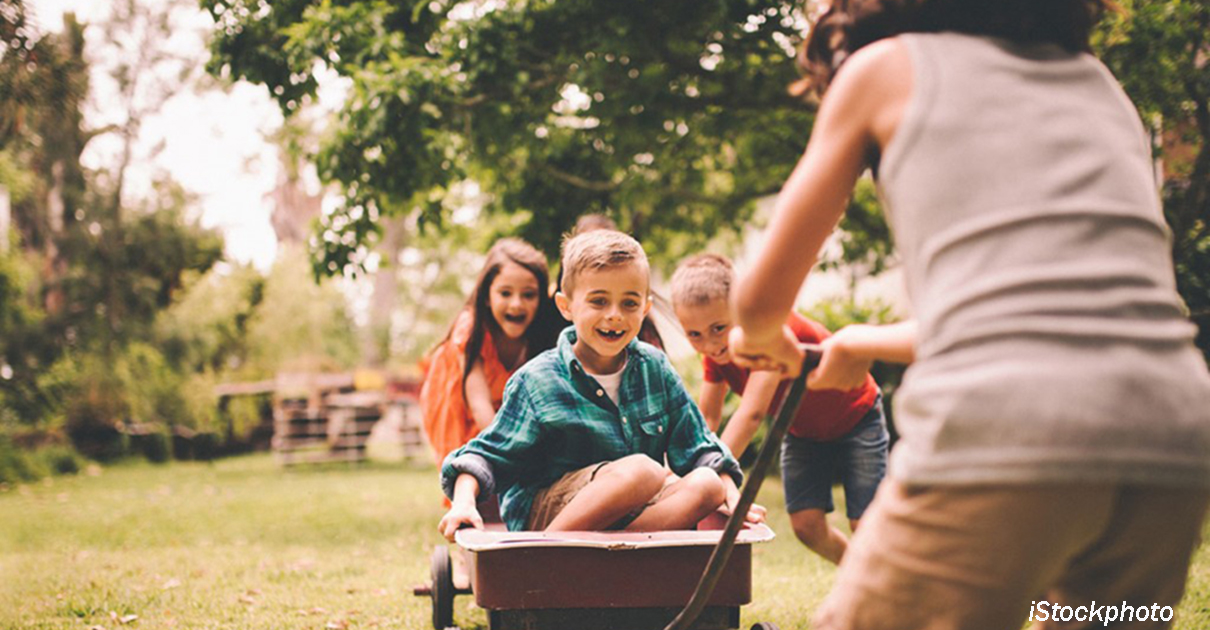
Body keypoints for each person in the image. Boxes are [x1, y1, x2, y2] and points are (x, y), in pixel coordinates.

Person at [728, 2, 1210, 629]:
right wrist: (857, 342)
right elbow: (1051, 313)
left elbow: (760, 302)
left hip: (1009, 436)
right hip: (1172, 439)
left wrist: (763, 340)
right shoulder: (1098, 83)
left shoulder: (885, 69)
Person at [438, 230, 762, 539]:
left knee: (708, 483)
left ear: (645, 308)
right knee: (643, 471)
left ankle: (608, 550)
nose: (615, 315)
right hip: (550, 515)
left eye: (630, 303)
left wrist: (732, 495)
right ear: (566, 306)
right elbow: (487, 455)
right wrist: (465, 502)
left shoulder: (655, 369)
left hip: (633, 509)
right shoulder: (538, 379)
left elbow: (700, 448)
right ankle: (544, 554)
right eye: (598, 301)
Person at [670, 253, 887, 565]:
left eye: (719, 328)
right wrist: (686, 469)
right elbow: (708, 419)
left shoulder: (769, 333)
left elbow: (752, 414)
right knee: (806, 526)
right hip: (804, 432)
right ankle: (866, 577)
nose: (710, 344)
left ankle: (876, 583)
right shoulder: (715, 356)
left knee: (864, 523)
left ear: (741, 308)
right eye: (694, 334)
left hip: (857, 417)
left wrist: (712, 470)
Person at [419, 238, 561, 466]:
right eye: (505, 293)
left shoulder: (541, 334)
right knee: (472, 465)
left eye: (528, 295)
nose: (516, 304)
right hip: (458, 404)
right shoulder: (471, 328)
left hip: (499, 405)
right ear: (487, 296)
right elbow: (478, 403)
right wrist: (511, 452)